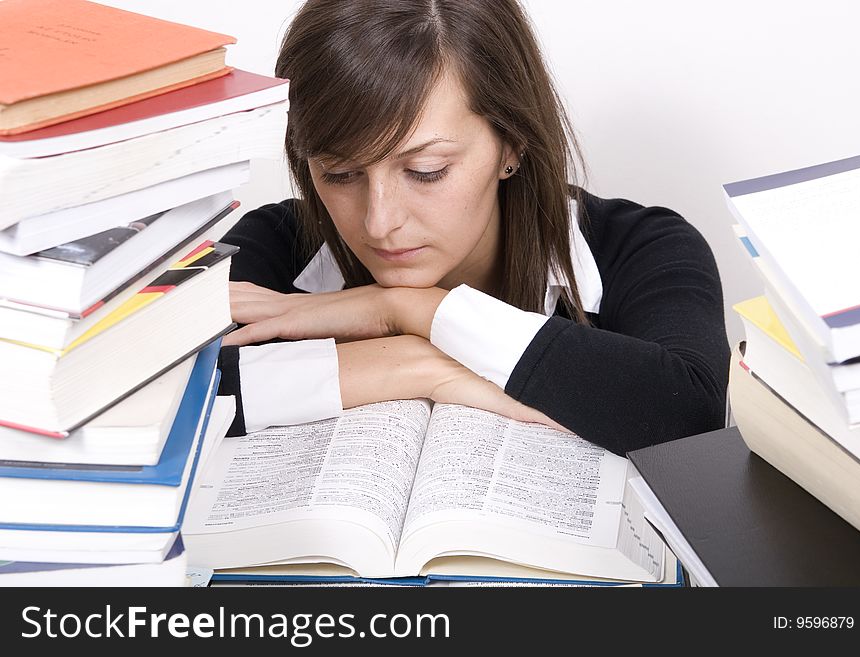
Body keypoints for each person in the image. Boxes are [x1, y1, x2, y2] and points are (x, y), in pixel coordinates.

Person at [217, 0, 730, 456]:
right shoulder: (275, 244)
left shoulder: (641, 247)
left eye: (427, 171)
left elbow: (688, 415)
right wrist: (420, 364)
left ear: (511, 144)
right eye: (339, 174)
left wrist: (405, 307)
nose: (379, 221)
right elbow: (166, 405)